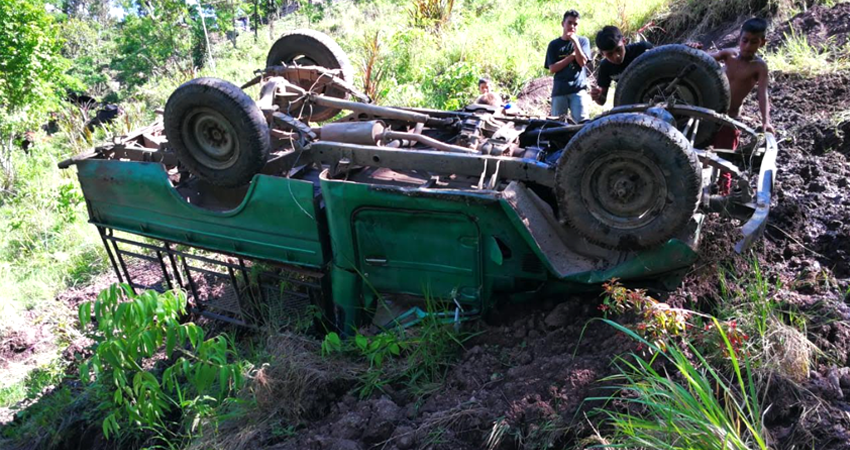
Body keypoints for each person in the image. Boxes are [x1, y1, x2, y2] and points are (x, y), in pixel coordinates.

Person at [708, 17, 773, 194]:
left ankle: (722, 199)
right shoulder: (728, 55)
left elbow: (762, 94)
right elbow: (703, 59)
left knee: (725, 163)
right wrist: (693, 49)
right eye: (745, 40)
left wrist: (766, 121)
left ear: (762, 43)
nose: (747, 46)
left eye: (754, 42)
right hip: (708, 113)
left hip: (730, 119)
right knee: (694, 151)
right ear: (739, 39)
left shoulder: (759, 67)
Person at [544, 9, 592, 122]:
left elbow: (582, 62)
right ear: (563, 24)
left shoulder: (583, 41)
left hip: (578, 89)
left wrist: (576, 43)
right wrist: (571, 57)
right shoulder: (554, 45)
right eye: (569, 23)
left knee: (583, 123)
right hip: (560, 90)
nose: (572, 26)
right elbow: (552, 68)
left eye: (575, 24)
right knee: (557, 124)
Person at [590, 25, 653, 106]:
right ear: (602, 54)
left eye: (618, 49)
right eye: (610, 54)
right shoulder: (605, 67)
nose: (616, 56)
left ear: (624, 41)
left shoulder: (642, 49)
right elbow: (602, 101)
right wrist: (597, 96)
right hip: (635, 101)